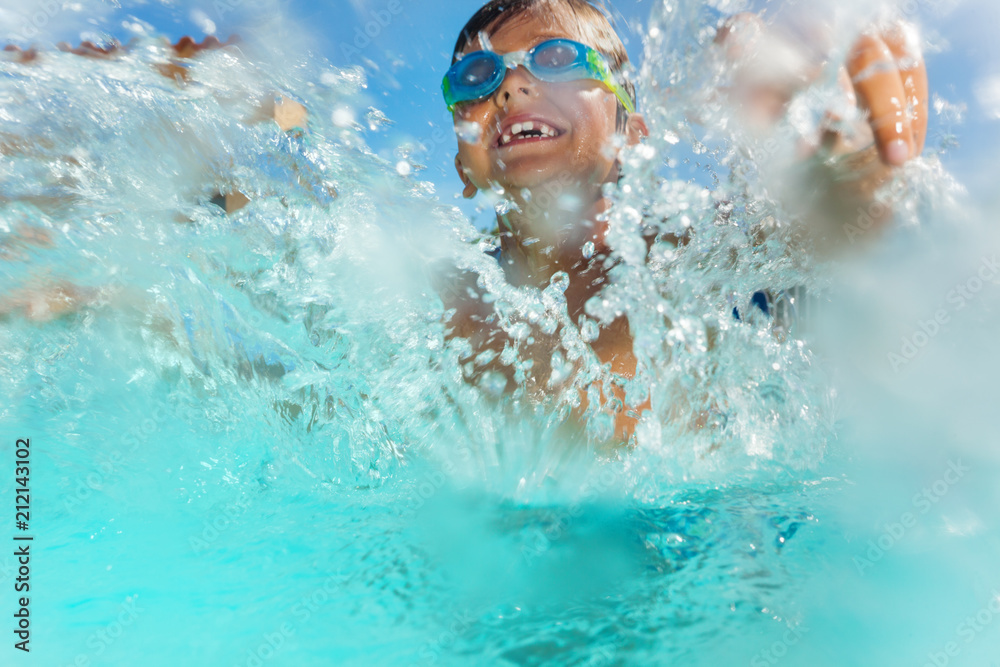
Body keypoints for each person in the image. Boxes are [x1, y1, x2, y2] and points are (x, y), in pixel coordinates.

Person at [437, 0, 928, 443]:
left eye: (557, 59)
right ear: (463, 165)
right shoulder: (441, 300)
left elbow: (817, 239)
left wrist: (856, 159)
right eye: (476, 76)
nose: (511, 85)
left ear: (633, 136)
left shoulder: (694, 260)